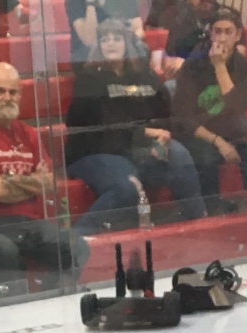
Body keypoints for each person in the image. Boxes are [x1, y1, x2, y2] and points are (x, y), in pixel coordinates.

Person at [0, 62, 87, 286]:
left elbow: (49, 184)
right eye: (0, 91)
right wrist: (32, 181)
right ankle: (13, 306)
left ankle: (51, 297)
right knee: (5, 252)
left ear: (20, 95)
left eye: (12, 92)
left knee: (76, 245)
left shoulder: (28, 134)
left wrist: (10, 180)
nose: (7, 98)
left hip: (26, 222)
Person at [65, 20, 205, 231]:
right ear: (98, 46)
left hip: (133, 148)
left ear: (126, 43)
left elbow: (163, 109)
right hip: (95, 151)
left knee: (179, 154)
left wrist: (161, 135)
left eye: (117, 38)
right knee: (127, 184)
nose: (111, 44)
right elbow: (106, 126)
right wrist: (148, 134)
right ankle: (78, 236)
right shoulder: (89, 78)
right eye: (105, 39)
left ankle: (196, 221)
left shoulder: (143, 74)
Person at [173, 8, 247, 210]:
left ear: (238, 35)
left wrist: (220, 66)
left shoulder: (244, 66)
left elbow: (237, 108)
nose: (222, 38)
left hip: (224, 123)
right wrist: (219, 142)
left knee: (245, 125)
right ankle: (211, 203)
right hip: (196, 131)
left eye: (228, 32)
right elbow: (184, 118)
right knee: (207, 154)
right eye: (218, 31)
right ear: (210, 33)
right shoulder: (192, 66)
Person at [67, 0, 142, 61]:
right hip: (87, 56)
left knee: (140, 51)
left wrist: (123, 43)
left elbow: (139, 30)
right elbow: (89, 40)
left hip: (124, 53)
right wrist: (91, 4)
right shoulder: (75, 2)